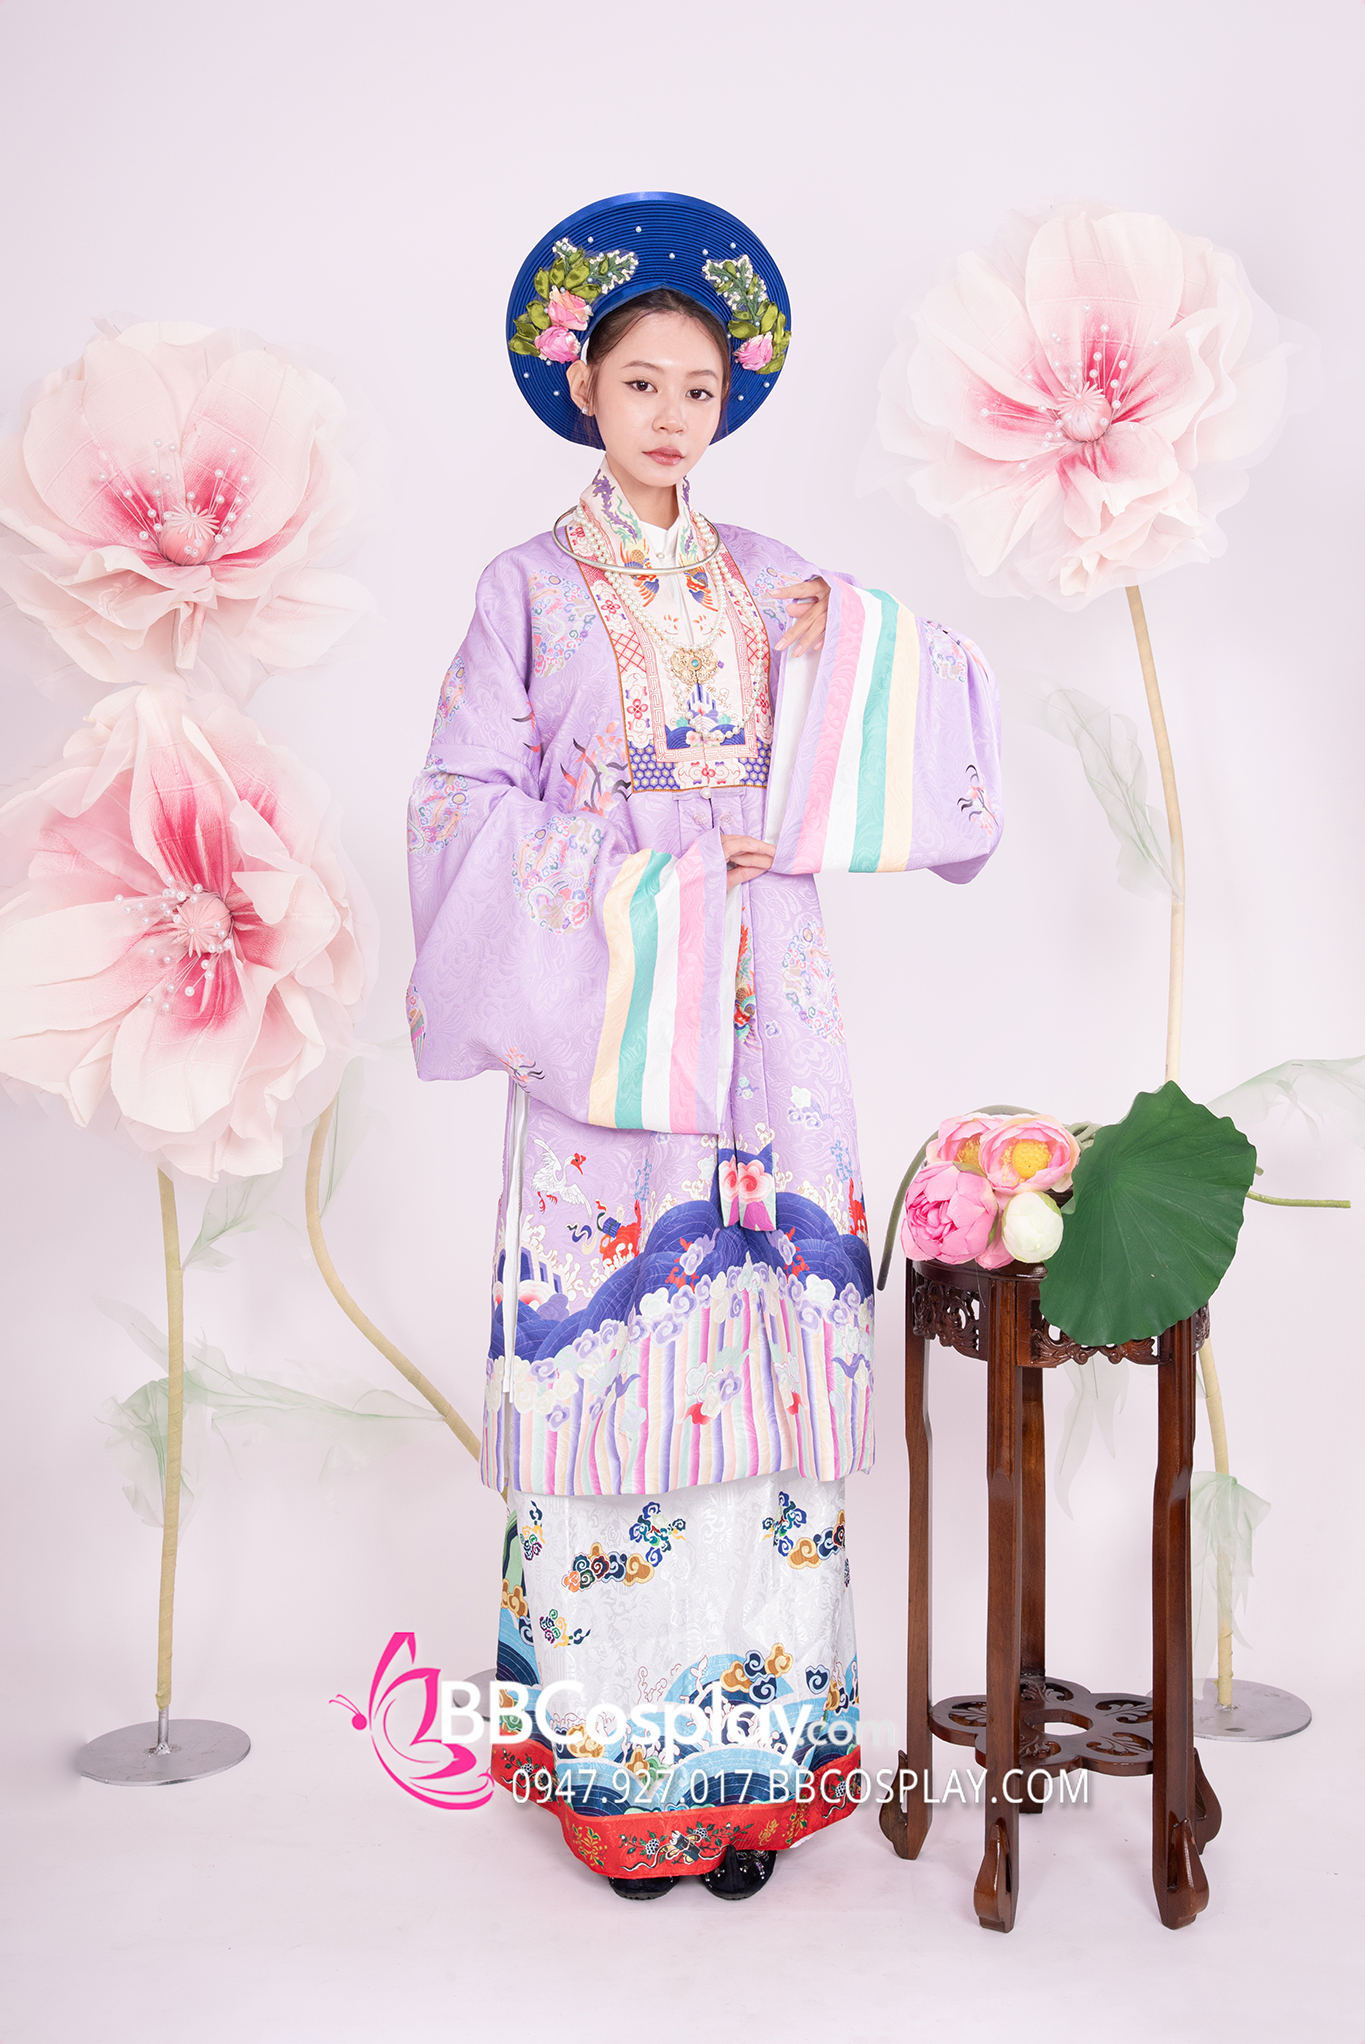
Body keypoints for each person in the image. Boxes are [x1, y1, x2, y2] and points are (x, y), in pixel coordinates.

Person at [406, 193, 1001, 1901]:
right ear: (581, 388)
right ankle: (623, 1780)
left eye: (698, 388)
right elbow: (456, 809)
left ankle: (756, 1778)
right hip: (608, 1008)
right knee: (623, 1360)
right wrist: (647, 874)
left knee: (767, 1355)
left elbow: (918, 689)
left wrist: (848, 636)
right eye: (639, 382)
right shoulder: (525, 591)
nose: (669, 414)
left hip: (769, 1007)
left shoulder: (767, 577)